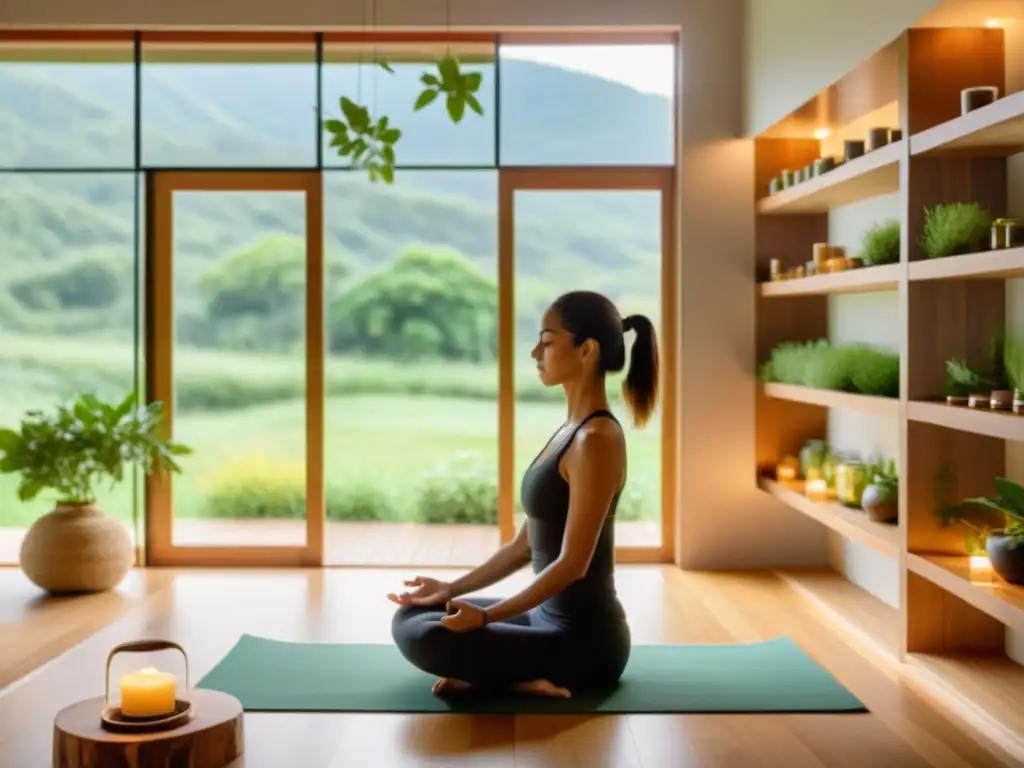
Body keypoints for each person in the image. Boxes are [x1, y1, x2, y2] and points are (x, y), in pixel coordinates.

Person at [388, 290, 660, 699]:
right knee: (414, 616)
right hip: (543, 617)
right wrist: (450, 589)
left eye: (548, 341)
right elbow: (524, 545)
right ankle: (512, 673)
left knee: (429, 639)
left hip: (585, 643)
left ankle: (525, 680)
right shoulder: (570, 431)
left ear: (586, 350)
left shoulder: (597, 439)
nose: (536, 352)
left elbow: (572, 565)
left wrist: (486, 618)